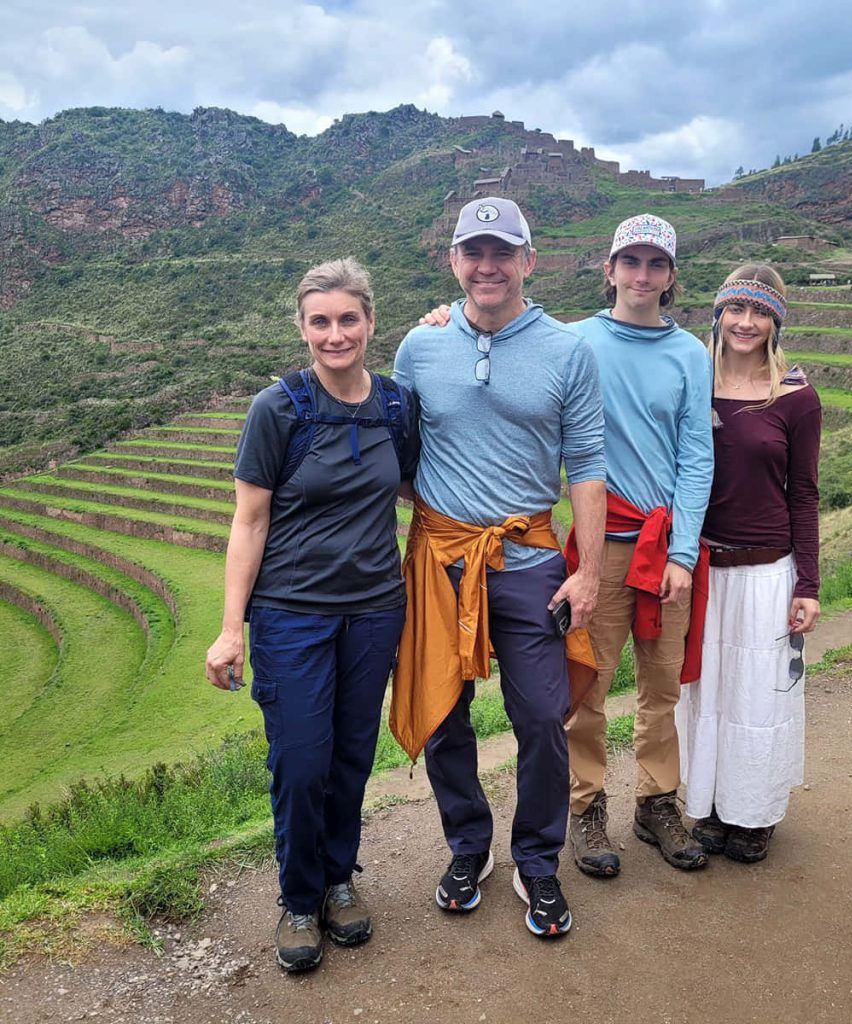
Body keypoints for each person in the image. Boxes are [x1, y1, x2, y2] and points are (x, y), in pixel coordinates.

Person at [390, 196, 606, 938]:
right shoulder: (419, 347)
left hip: (529, 560)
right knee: (445, 711)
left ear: (528, 262)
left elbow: (587, 465)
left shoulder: (569, 351)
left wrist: (589, 572)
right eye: (473, 252)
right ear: (453, 262)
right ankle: (467, 845)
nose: (488, 265)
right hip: (441, 558)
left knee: (542, 715)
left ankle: (537, 860)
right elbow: (401, 449)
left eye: (502, 252)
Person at [205, 258, 419, 972]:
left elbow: (417, 489)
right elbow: (250, 522)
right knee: (300, 761)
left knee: (352, 757)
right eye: (320, 321)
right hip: (291, 615)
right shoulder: (279, 410)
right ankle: (298, 899)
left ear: (370, 321)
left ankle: (337, 881)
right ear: (302, 328)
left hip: (374, 612)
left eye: (348, 319)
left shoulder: (395, 406)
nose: (336, 334)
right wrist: (230, 629)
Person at [564, 214, 714, 879]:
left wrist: (683, 553)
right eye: (631, 262)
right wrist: (443, 319)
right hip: (601, 548)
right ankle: (586, 805)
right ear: (609, 269)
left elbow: (696, 457)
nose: (642, 275)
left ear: (671, 276)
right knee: (588, 683)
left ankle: (656, 801)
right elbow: (497, 333)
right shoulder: (573, 342)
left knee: (660, 685)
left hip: (664, 549)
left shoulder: (689, 354)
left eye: (656, 265)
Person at [675, 264, 821, 864]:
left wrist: (808, 582)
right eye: (737, 309)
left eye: (760, 312)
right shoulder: (692, 383)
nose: (746, 322)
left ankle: (753, 814)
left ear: (775, 322)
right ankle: (708, 804)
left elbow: (804, 491)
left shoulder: (795, 396)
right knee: (706, 693)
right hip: (704, 566)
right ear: (719, 313)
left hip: (766, 572)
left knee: (759, 698)